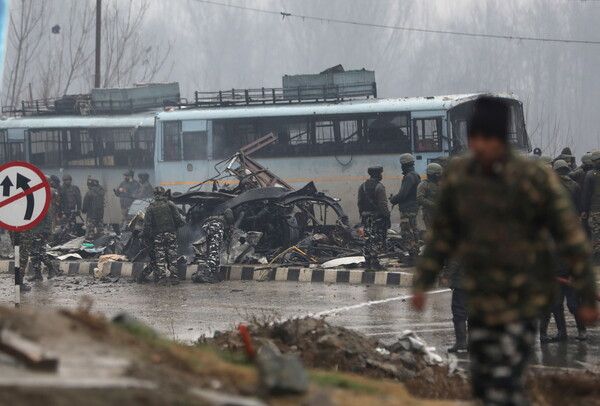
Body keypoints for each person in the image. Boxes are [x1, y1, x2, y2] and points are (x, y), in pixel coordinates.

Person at [412, 97, 598, 406]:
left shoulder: (533, 177)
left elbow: (570, 236)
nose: (480, 146)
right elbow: (444, 233)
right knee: (486, 371)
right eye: (475, 139)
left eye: (488, 138)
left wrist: (588, 295)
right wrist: (424, 280)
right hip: (481, 292)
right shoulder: (461, 176)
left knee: (512, 367)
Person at [540, 159, 586, 343]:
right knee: (555, 305)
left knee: (574, 304)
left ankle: (581, 330)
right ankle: (561, 333)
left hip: (568, 272)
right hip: (554, 273)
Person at [143, 187, 184, 286]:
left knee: (160, 257)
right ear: (163, 194)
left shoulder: (150, 207)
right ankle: (174, 277)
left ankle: (162, 278)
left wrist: (147, 237)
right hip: (170, 234)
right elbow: (179, 220)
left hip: (158, 236)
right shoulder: (170, 204)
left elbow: (147, 226)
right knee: (172, 255)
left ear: (154, 195)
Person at [26, 182, 62, 282]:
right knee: (34, 254)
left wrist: (46, 231)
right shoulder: (32, 202)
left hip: (41, 232)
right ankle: (37, 273)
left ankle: (52, 269)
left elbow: (49, 218)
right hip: (33, 231)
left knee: (40, 252)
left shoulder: (44, 202)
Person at [357, 166, 391, 271]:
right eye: (381, 173)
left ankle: (367, 263)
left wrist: (362, 214)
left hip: (366, 217)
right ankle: (375, 264)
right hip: (377, 218)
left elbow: (359, 203)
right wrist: (387, 216)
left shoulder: (362, 186)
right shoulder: (379, 187)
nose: (382, 175)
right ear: (378, 174)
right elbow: (383, 204)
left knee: (367, 239)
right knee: (376, 240)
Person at [390, 153, 421, 263]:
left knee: (407, 232)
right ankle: (416, 254)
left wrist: (393, 199)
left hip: (407, 209)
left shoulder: (409, 177)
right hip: (414, 208)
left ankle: (412, 257)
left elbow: (403, 194)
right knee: (414, 231)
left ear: (404, 165)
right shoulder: (415, 175)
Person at [192, 209, 235, 284]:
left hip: (206, 225)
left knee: (211, 249)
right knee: (214, 250)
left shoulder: (215, 214)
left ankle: (214, 271)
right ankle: (209, 272)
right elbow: (230, 217)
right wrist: (231, 227)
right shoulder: (227, 210)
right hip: (216, 225)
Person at [581, 150, 600, 260]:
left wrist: (584, 210)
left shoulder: (590, 175)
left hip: (595, 210)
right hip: (595, 209)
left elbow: (586, 194)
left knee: (596, 234)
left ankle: (597, 258)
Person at [417, 163, 442, 233]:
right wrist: (433, 205)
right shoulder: (424, 184)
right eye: (438, 173)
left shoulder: (441, 184)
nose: (440, 175)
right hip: (429, 214)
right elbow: (420, 198)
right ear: (431, 174)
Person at [82, 177, 105, 243]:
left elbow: (85, 205)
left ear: (90, 185)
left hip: (91, 216)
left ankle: (89, 248)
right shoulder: (101, 192)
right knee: (100, 233)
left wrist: (84, 211)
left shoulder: (89, 193)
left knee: (89, 235)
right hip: (100, 216)